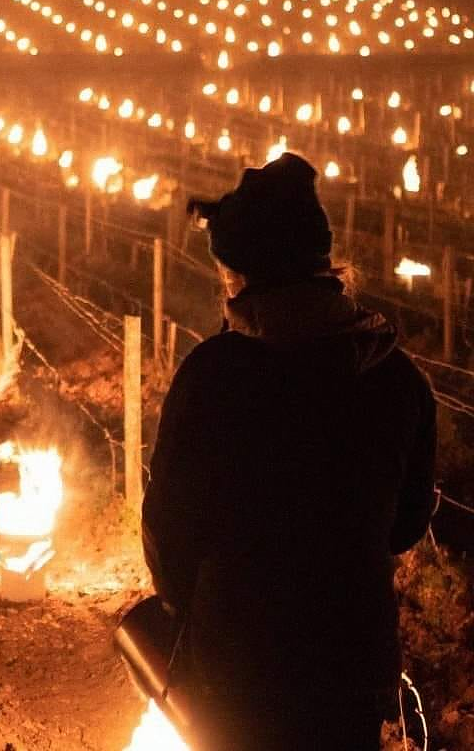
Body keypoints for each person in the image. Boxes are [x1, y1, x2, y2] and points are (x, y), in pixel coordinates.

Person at [142, 152, 436, 751]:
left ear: (242, 278)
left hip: (240, 666)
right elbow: (406, 523)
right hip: (353, 662)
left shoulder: (216, 376)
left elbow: (169, 528)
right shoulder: (397, 377)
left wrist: (189, 611)